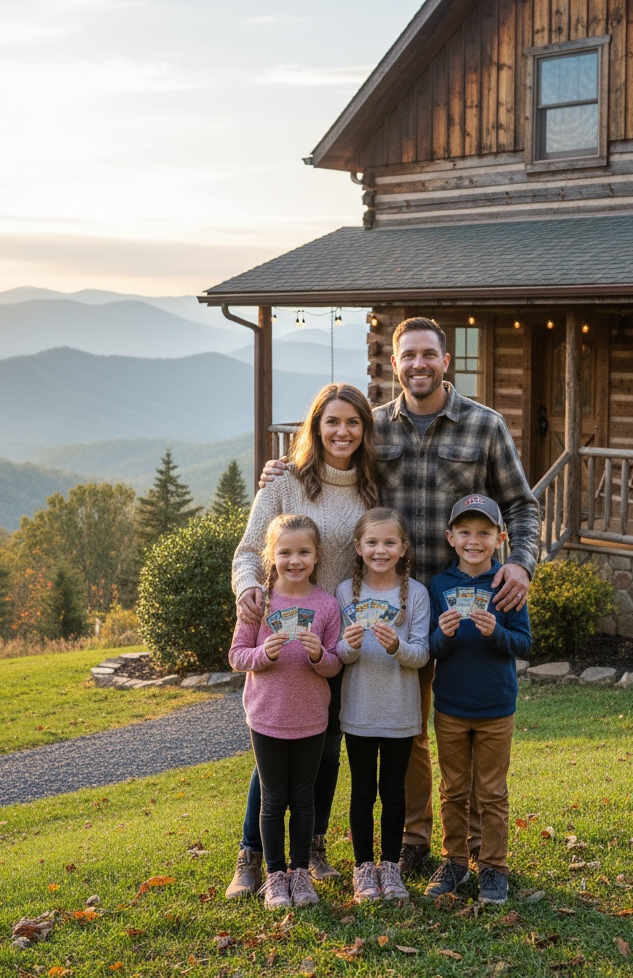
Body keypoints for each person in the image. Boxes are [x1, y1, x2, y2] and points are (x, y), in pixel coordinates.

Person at [261, 318, 540, 875]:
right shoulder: (376, 428)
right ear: (394, 364)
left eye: (428, 355)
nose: (418, 364)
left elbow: (522, 506)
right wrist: (284, 472)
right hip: (390, 602)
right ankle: (414, 840)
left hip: (463, 602)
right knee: (406, 729)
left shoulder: (485, 427)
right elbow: (332, 457)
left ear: (445, 361)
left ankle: (480, 854)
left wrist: (522, 564)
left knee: (465, 724)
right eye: (407, 355)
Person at [226, 383, 380, 899]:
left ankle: (312, 848)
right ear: (315, 427)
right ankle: (253, 857)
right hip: (284, 637)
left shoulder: (373, 487)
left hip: (342, 631)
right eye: (331, 422)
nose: (342, 432)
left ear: (365, 430)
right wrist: (250, 588)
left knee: (327, 747)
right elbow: (249, 549)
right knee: (274, 753)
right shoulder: (286, 484)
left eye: (353, 423)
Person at [228, 513, 343, 909]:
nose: (295, 560)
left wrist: (318, 656)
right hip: (267, 718)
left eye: (304, 552)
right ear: (270, 555)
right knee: (273, 799)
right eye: (285, 552)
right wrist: (262, 654)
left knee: (305, 799)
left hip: (311, 718)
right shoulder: (260, 602)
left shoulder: (326, 606)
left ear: (317, 556)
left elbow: (335, 664)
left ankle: (299, 873)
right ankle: (274, 875)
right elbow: (237, 656)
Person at [422, 494, 532, 904]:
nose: (474, 540)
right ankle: (454, 861)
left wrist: (495, 633)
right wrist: (444, 634)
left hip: (495, 707)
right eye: (465, 532)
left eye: (484, 532)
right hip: (450, 705)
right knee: (453, 789)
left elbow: (524, 643)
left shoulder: (508, 582)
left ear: (500, 537)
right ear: (450, 538)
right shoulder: (440, 586)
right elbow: (432, 648)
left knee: (491, 791)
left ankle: (492, 867)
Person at [335, 508, 429, 902]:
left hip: (399, 711)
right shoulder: (345, 593)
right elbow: (339, 654)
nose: (380, 550)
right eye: (372, 542)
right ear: (358, 547)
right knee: (361, 792)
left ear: (403, 548)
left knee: (393, 792)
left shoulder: (417, 594)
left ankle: (390, 868)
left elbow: (422, 654)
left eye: (390, 542)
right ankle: (363, 868)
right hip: (358, 709)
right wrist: (351, 645)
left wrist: (396, 646)